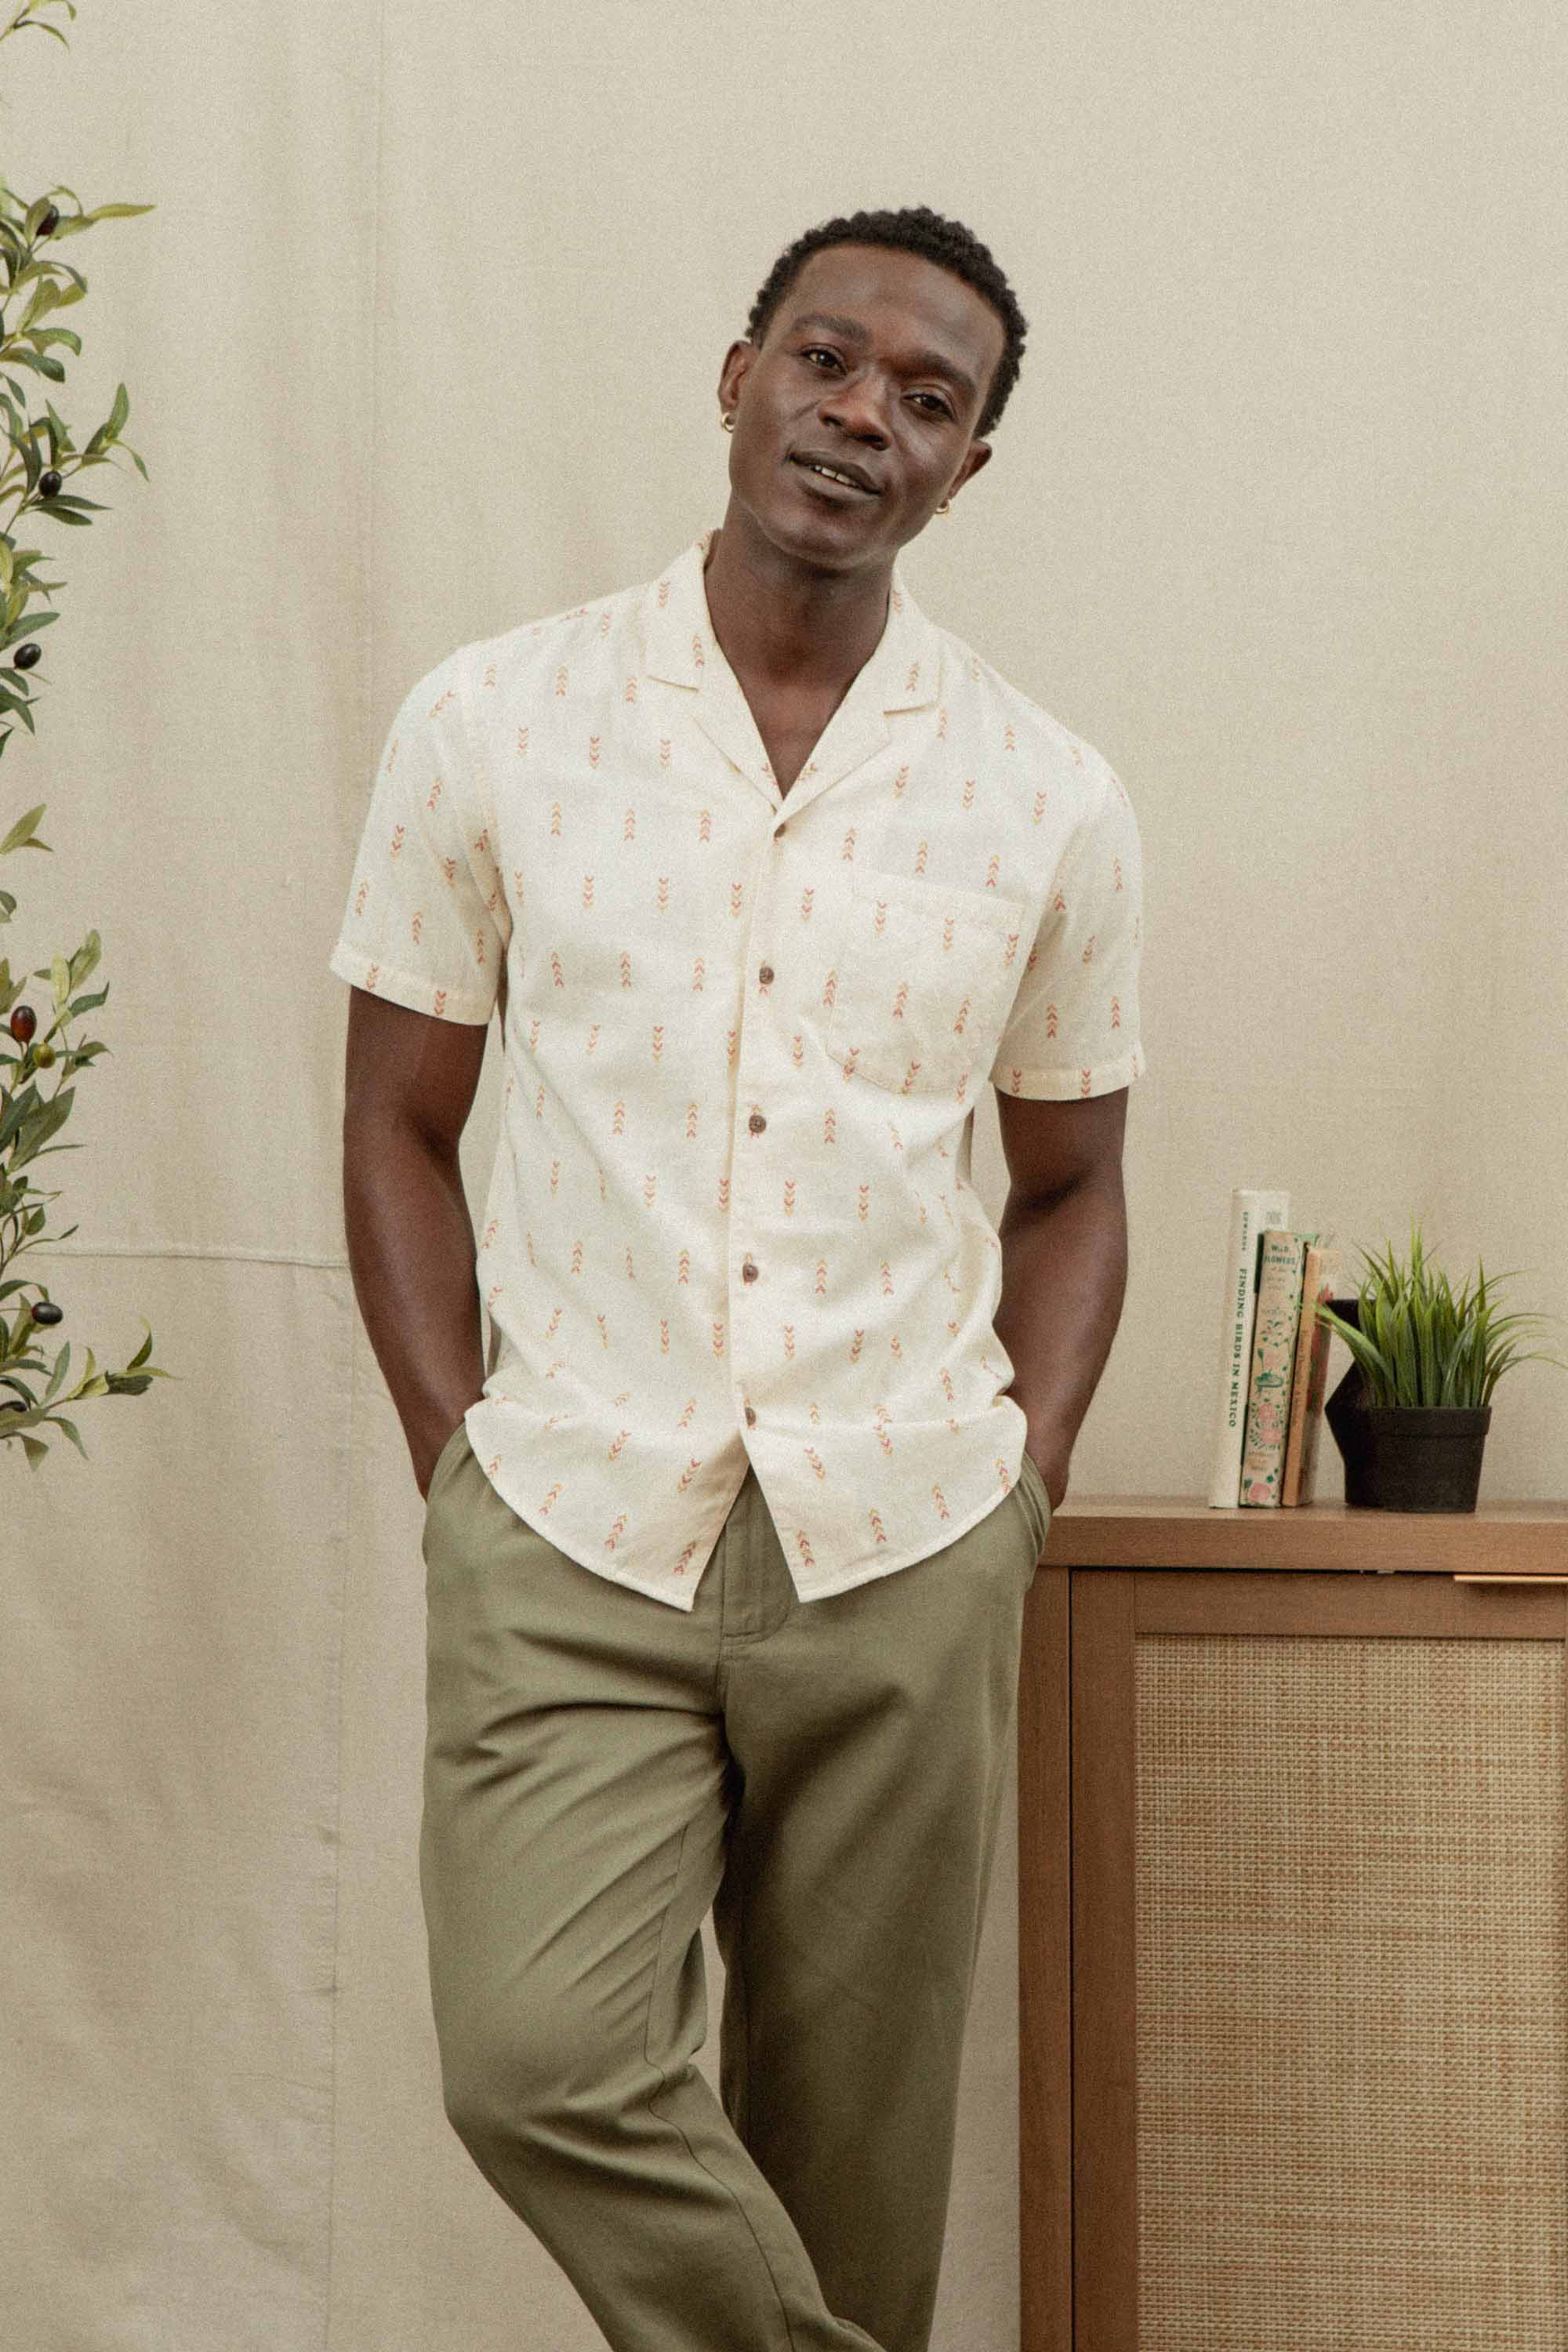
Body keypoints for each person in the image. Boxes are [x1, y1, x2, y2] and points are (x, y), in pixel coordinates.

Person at [332, 202, 1145, 2352]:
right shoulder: (492, 721)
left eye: (926, 397)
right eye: (828, 358)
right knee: (537, 2060)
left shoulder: (1048, 799)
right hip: (573, 1523)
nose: (864, 413)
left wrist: (1019, 1485)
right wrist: (461, 1469)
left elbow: (1074, 1189)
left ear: (971, 468)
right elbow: (398, 1126)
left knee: (849, 2175)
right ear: (739, 373)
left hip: (905, 1540)